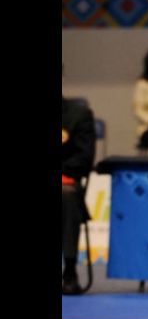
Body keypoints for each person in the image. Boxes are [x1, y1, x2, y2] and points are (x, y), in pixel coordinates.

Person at [62, 68, 96, 295]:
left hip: (65, 181)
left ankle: (70, 270)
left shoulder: (77, 114)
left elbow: (83, 158)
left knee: (65, 197)